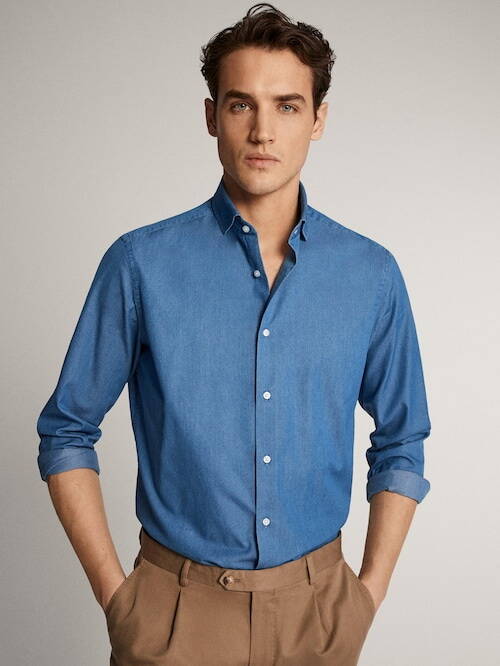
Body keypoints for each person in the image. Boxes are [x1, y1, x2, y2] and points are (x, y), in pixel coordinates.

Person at [36, 3, 432, 665]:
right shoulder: (140, 265)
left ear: (318, 119)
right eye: (241, 104)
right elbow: (66, 430)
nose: (262, 131)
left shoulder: (371, 274)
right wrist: (121, 603)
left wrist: (366, 596)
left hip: (319, 615)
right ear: (211, 116)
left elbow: (402, 439)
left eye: (287, 106)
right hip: (174, 616)